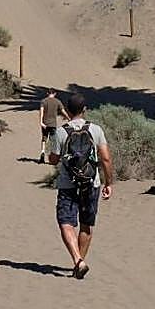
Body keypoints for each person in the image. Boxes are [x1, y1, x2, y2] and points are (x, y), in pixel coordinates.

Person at [48, 92, 113, 279]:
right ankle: (79, 261)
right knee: (86, 224)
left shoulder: (61, 132)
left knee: (66, 222)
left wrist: (56, 156)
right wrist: (109, 183)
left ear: (67, 111)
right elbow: (106, 158)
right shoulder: (96, 130)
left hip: (68, 184)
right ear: (85, 110)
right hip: (92, 183)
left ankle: (78, 261)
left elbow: (53, 160)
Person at [39, 89, 70, 163]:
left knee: (44, 138)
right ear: (55, 93)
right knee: (53, 140)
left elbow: (41, 112)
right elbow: (63, 111)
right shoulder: (57, 102)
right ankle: (52, 157)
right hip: (53, 124)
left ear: (47, 93)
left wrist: (41, 122)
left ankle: (42, 152)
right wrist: (68, 118)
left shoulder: (43, 101)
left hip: (45, 124)